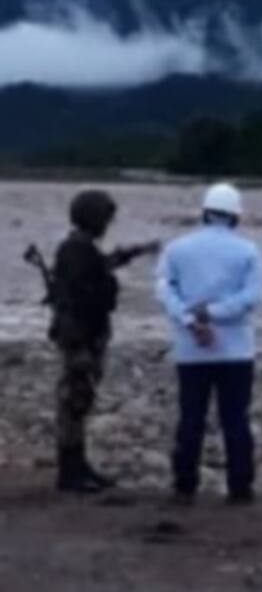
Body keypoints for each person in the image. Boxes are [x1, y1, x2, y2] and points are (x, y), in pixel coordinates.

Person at [155, 183, 262, 506]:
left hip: (192, 350)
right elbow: (252, 298)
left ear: (204, 212)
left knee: (190, 417)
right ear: (236, 216)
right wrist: (215, 313)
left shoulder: (177, 249)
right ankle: (240, 487)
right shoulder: (248, 251)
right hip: (236, 350)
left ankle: (184, 485)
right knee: (235, 419)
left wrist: (192, 321)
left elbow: (164, 291)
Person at [50, 190, 158, 493]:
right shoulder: (76, 251)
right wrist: (79, 346)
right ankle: (70, 473)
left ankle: (78, 466)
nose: (108, 224)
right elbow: (70, 301)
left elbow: (101, 267)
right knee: (74, 402)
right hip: (80, 338)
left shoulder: (79, 249)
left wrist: (133, 253)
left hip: (86, 335)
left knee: (80, 402)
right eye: (105, 218)